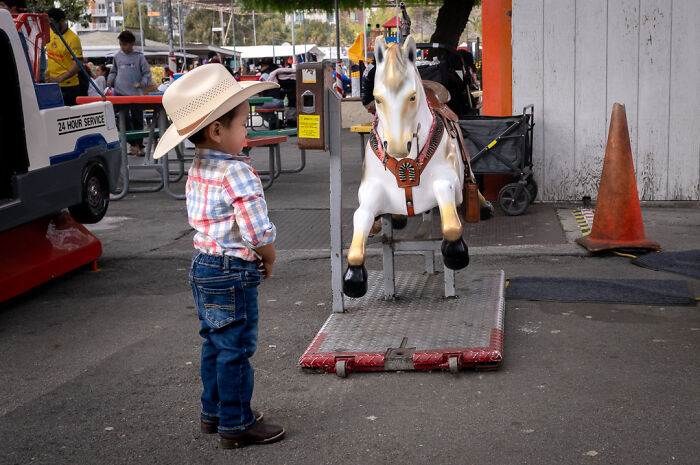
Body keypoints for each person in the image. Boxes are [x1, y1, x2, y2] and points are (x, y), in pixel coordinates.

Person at [151, 64, 284, 449]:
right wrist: (270, 255)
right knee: (236, 349)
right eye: (245, 123)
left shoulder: (198, 167)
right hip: (232, 270)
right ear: (217, 130)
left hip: (203, 265)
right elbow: (256, 231)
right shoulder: (238, 173)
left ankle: (214, 412)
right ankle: (236, 423)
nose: (248, 130)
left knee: (214, 342)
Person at [106, 30, 152, 156]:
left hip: (136, 94)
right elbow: (113, 71)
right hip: (120, 94)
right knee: (123, 120)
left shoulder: (139, 57)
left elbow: (147, 73)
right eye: (121, 44)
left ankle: (141, 145)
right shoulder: (117, 56)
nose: (123, 47)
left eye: (125, 45)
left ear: (132, 44)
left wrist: (142, 83)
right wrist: (110, 80)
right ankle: (133, 145)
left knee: (137, 119)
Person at [46, 8, 83, 106]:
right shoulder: (50, 32)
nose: (51, 27)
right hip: (52, 85)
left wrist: (59, 79)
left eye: (53, 24)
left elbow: (78, 65)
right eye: (49, 25)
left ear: (62, 21)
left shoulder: (73, 38)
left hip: (69, 87)